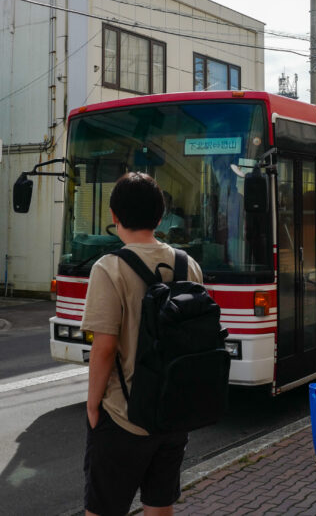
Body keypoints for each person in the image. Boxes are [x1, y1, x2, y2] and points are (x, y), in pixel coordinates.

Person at [81, 172, 203, 516]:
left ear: (113, 215)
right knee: (160, 505)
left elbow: (104, 348)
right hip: (173, 412)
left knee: (102, 509)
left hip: (124, 415)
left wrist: (93, 407)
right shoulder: (188, 264)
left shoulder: (109, 268)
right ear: (160, 217)